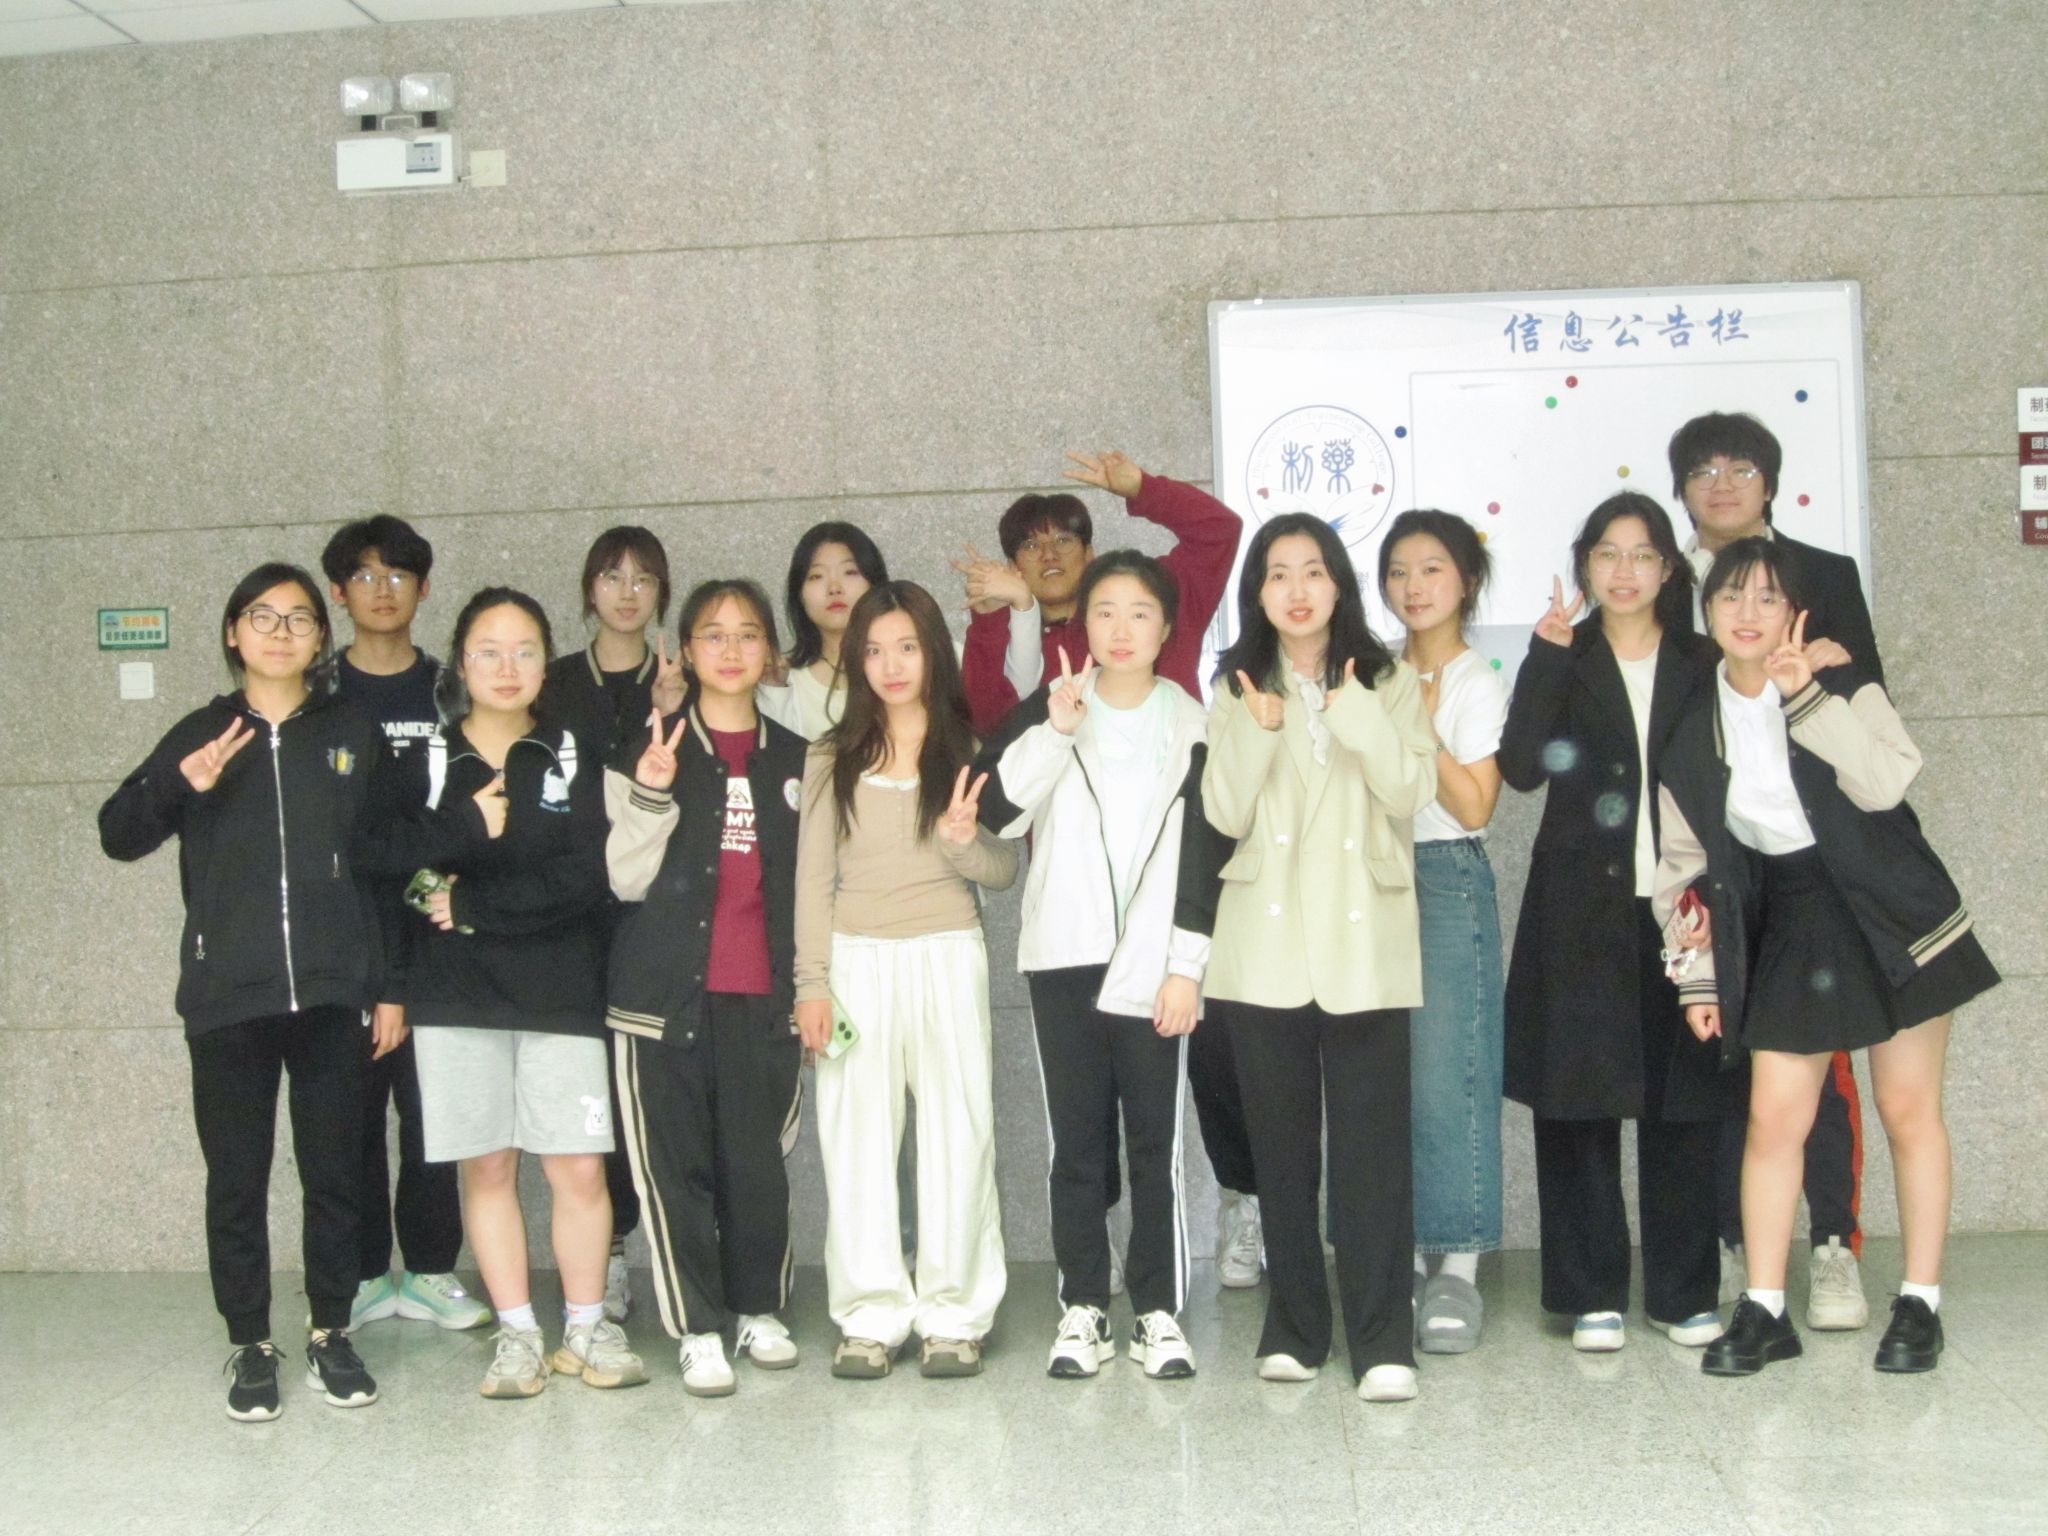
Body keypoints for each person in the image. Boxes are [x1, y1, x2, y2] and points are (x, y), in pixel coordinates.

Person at [1652, 540, 1997, 1376]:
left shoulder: (1842, 680)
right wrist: (1696, 976)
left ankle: (1920, 1302)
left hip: (1890, 908)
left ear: (1796, 612)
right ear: (1707, 610)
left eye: (1767, 598)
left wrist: (1804, 694)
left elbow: (1885, 784)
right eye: (1730, 597)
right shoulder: (1691, 724)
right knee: (1774, 1118)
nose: (1747, 614)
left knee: (1907, 1108)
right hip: (1793, 915)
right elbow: (1684, 867)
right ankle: (1765, 1310)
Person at [99, 563, 395, 1421]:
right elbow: (118, 834)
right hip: (227, 997)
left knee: (336, 1172)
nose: (279, 632)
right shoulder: (202, 732)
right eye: (261, 617)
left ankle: (331, 1330)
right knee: (236, 1178)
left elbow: (383, 864)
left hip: (333, 994)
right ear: (233, 632)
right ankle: (250, 1342)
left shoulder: (350, 731)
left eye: (298, 618)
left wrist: (390, 986)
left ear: (319, 638)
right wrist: (177, 785)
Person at [956, 451, 1259, 1285]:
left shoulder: (1173, 669)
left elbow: (1218, 531)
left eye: (1064, 538)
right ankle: (1090, 1282)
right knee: (1084, 1132)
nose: (1047, 554)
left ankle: (1230, 1218)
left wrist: (1139, 488)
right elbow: (995, 771)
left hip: (1174, 920)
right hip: (1072, 922)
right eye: (1030, 545)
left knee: (1196, 1094)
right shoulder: (1052, 673)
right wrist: (1010, 623)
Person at [1192, 513, 1437, 1402]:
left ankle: (1383, 1338)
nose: (1297, 590)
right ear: (1257, 592)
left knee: (1373, 1154)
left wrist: (1358, 712)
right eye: (1277, 574)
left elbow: (1412, 789)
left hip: (1364, 939)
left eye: (1313, 571)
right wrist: (1257, 728)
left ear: (1339, 584)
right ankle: (1296, 1326)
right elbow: (1221, 812)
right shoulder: (1235, 685)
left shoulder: (1390, 679)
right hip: (1265, 944)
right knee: (1282, 1152)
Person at [1499, 492, 1736, 1356]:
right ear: (1586, 566)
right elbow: (1520, 767)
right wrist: (1545, 657)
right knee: (1577, 1105)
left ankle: (1682, 1292)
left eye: (1642, 554)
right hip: (1579, 911)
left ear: (1669, 569)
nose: (1624, 570)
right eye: (1607, 553)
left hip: (1683, 912)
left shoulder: (1705, 661)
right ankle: (1590, 1291)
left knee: (1686, 1106)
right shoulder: (1568, 655)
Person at [973, 550, 1219, 1381]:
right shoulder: (1051, 708)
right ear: (1083, 624)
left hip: (1157, 967)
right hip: (1065, 958)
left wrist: (1187, 966)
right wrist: (1056, 731)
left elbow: (1207, 859)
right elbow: (1000, 815)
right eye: (1105, 611)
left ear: (1166, 627)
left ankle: (1156, 1311)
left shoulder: (1196, 725)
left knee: (1155, 1146)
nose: (1121, 629)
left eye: (1139, 612)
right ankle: (1083, 1304)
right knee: (1075, 1146)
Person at [397, 587, 647, 1399]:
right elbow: (393, 868)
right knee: (488, 1169)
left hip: (561, 993)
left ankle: (586, 1328)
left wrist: (471, 904)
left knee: (579, 1169)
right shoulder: (428, 760)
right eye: (489, 652)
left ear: (546, 662)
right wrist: (445, 880)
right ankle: (517, 1336)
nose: (507, 668)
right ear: (460, 663)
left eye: (525, 651)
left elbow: (587, 877)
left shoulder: (572, 753)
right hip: (454, 996)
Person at [1668, 410, 1877, 1331]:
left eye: (1740, 467)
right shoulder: (1666, 584)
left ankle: (1833, 1243)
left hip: (1812, 866)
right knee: (1726, 1060)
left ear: (1772, 483)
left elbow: (1865, 705)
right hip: (1719, 859)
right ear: (1682, 489)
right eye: (1703, 470)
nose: (1721, 483)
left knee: (1821, 1067)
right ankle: (1738, 1243)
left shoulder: (1823, 575)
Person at [793, 582, 1020, 1380]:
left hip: (947, 954)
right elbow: (812, 880)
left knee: (961, 1134)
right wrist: (811, 984)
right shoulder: (830, 756)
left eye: (907, 648)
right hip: (854, 962)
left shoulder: (971, 749)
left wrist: (961, 844)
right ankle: (870, 1317)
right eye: (874, 650)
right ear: (856, 660)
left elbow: (1003, 868)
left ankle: (954, 1316)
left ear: (933, 654)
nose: (891, 666)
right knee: (855, 1141)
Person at [603, 579, 809, 1397]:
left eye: (747, 633)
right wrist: (652, 790)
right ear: (684, 651)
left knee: (757, 1165)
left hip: (764, 997)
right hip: (663, 999)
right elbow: (622, 880)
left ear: (769, 652)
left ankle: (758, 1308)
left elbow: (814, 886)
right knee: (674, 1169)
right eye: (713, 635)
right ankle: (695, 1327)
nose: (730, 649)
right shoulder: (647, 746)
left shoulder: (799, 758)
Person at [318, 515, 489, 1334]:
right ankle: (357, 1276)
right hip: (345, 933)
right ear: (338, 592)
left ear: (424, 589)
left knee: (433, 1113)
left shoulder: (453, 689)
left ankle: (427, 1270)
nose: (381, 590)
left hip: (438, 927)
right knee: (349, 1116)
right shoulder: (316, 692)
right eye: (364, 575)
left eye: (398, 575)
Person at [1376, 510, 1508, 1354]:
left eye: (1431, 568)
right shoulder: (1371, 671)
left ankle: (1457, 1268)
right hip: (1367, 877)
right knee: (1381, 1079)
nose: (1413, 586)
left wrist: (1419, 728)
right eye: (1399, 570)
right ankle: (1400, 1257)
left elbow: (1475, 807)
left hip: (1446, 876)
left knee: (1453, 1074)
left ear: (1466, 581)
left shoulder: (1474, 680)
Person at [546, 526, 682, 1317]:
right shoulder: (553, 682)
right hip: (570, 914)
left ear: (662, 591)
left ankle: (670, 1240)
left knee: (651, 1088)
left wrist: (669, 706)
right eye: (611, 576)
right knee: (589, 1088)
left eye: (643, 578)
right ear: (588, 589)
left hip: (655, 912)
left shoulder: (682, 679)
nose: (627, 593)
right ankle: (614, 1247)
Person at [759, 521, 890, 740]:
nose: (834, 588)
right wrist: (773, 690)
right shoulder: (782, 680)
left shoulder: (905, 666)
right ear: (799, 595)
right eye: (816, 576)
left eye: (850, 572)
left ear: (875, 584)